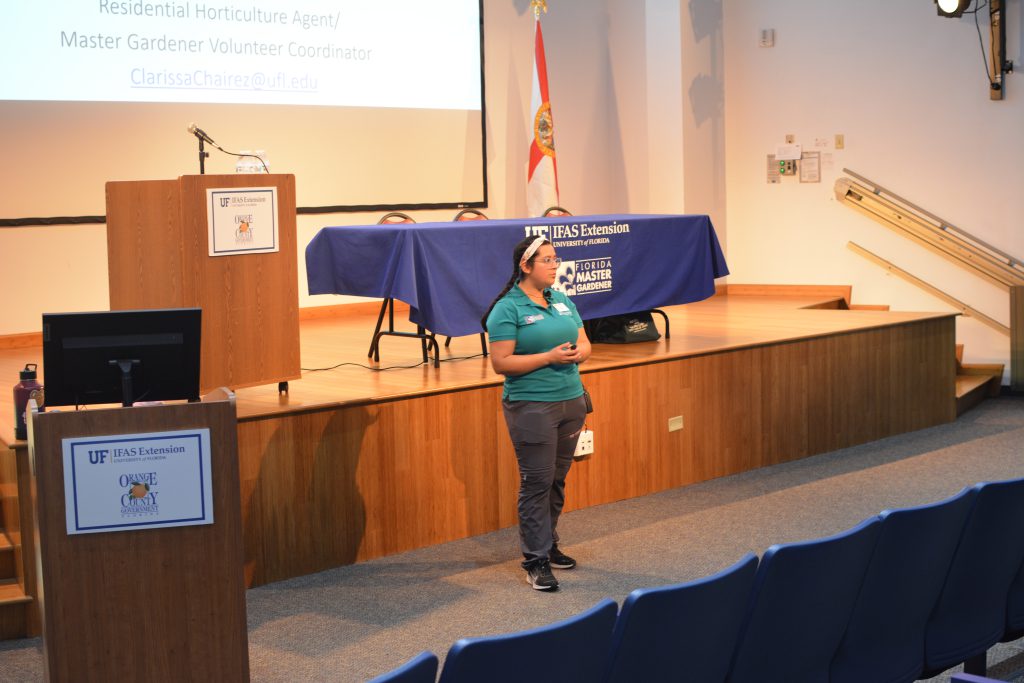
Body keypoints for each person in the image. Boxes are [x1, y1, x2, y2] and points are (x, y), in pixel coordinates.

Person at [482, 235, 591, 590]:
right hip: (532, 406)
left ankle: (549, 542)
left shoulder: (561, 299)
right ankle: (535, 559)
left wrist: (580, 353)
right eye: (546, 260)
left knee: (557, 480)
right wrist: (548, 357)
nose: (554, 265)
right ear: (525, 267)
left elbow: (585, 341)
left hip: (571, 400)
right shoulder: (507, 308)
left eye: (555, 258)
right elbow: (501, 363)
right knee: (537, 482)